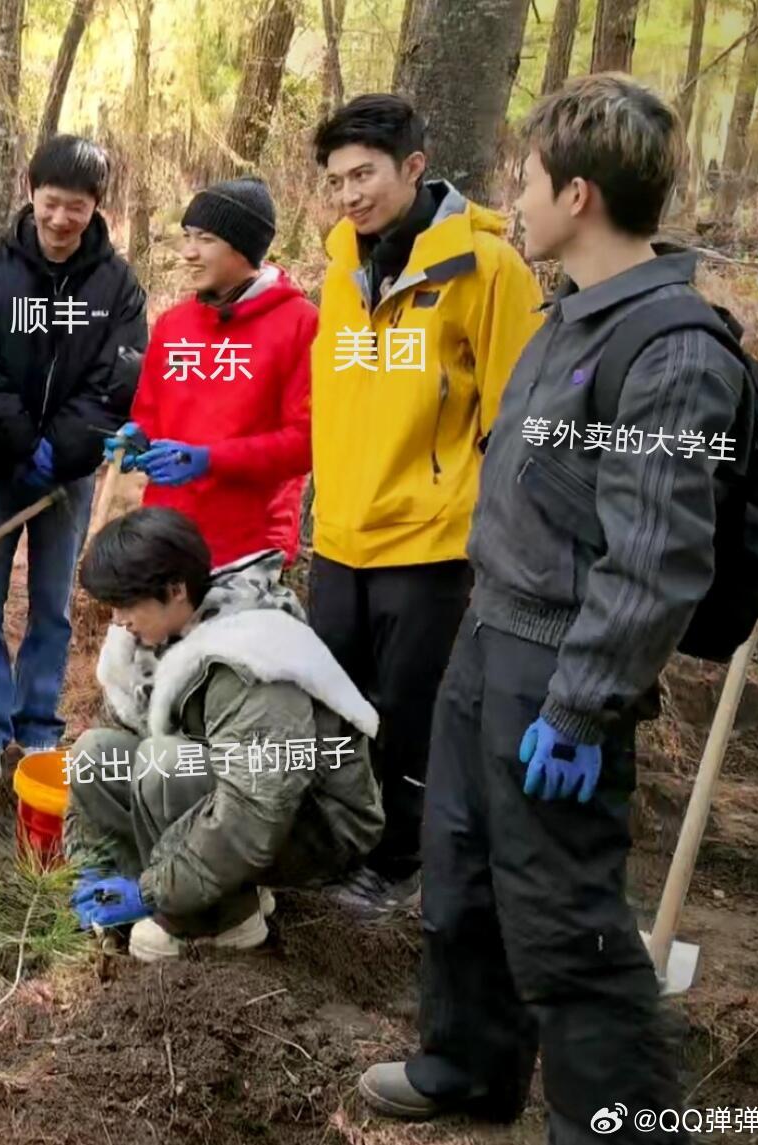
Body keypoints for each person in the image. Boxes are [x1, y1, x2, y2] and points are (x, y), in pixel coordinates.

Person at [357, 75, 741, 1144]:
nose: (513, 201)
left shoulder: (669, 350)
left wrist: (581, 708)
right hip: (490, 637)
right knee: (462, 866)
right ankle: (466, 1060)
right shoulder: (565, 315)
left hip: (561, 666)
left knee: (562, 911)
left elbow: (656, 556)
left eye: (524, 182)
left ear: (576, 194)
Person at [307, 94, 544, 915]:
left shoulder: (488, 271)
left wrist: (491, 526)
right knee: (333, 699)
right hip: (339, 530)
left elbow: (517, 413)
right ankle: (334, 838)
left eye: (364, 174)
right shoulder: (340, 268)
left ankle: (396, 856)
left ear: (413, 166)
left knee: (407, 711)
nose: (350, 196)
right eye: (337, 180)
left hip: (431, 538)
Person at [62, 507, 384, 962]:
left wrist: (152, 892)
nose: (118, 621)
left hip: (317, 819)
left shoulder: (253, 659)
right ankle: (119, 898)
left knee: (167, 765)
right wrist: (93, 867)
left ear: (175, 590)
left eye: (127, 605)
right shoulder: (158, 638)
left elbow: (257, 806)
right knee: (97, 753)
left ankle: (218, 923)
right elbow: (117, 735)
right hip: (237, 788)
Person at [0, 135, 148, 781]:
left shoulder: (117, 285)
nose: (62, 220)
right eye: (51, 203)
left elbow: (118, 379)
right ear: (30, 194)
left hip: (68, 473)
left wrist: (63, 448)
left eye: (78, 207)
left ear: (98, 207)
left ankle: (38, 723)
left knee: (51, 600)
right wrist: (16, 442)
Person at [102, 176, 314, 567]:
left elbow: (305, 444)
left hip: (247, 549)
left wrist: (210, 459)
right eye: (187, 236)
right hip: (166, 536)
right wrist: (136, 438)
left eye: (205, 239)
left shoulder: (301, 325)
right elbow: (150, 415)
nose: (188, 252)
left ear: (244, 248)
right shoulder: (173, 324)